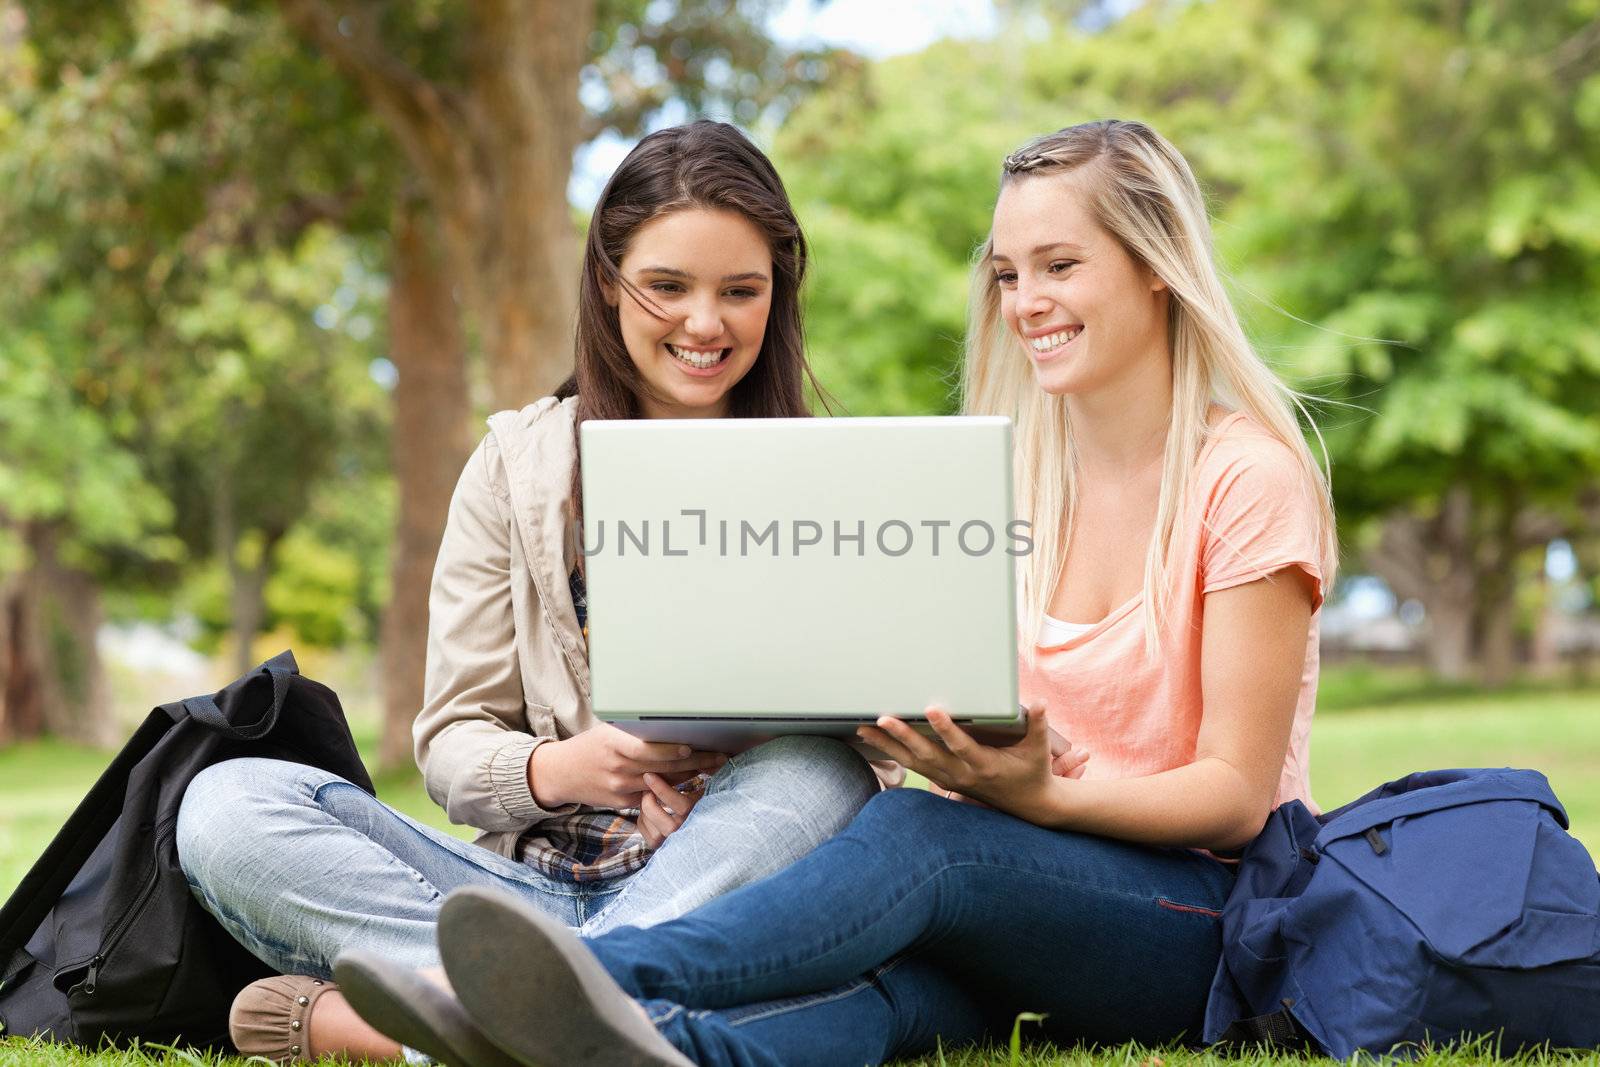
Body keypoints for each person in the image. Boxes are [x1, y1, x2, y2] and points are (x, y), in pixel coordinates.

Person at [340, 117, 1339, 1067]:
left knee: (916, 839)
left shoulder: (1245, 477)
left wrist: (1042, 793)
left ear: (1157, 264)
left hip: (1199, 915)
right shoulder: (1011, 477)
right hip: (1017, 890)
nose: (1025, 300)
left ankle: (585, 970)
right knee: (870, 999)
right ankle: (616, 1040)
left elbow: (1237, 796)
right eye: (1006, 273)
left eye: (1059, 265)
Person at [174, 121, 896, 1065]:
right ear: (607, 281)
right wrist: (568, 769)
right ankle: (560, 1003)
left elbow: (876, 771)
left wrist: (743, 772)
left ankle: (486, 1015)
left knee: (823, 776)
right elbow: (450, 742)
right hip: (513, 891)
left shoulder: (832, 477)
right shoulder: (515, 466)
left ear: (778, 294)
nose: (706, 323)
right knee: (226, 803)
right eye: (668, 287)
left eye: (741, 291)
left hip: (720, 881)